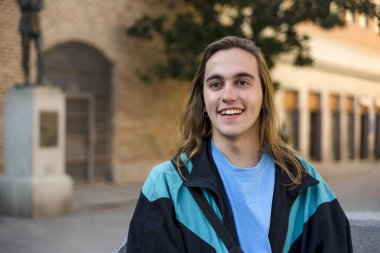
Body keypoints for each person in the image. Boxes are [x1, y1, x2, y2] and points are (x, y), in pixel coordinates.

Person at [122, 36, 352, 253]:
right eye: (215, 84)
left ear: (263, 96)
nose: (228, 95)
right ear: (203, 101)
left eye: (242, 82)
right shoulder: (167, 185)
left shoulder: (303, 180)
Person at [17, 0, 47, 85]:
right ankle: (26, 77)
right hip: (25, 25)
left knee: (41, 51)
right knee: (26, 52)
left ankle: (40, 77)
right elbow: (23, 4)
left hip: (36, 25)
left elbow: (40, 6)